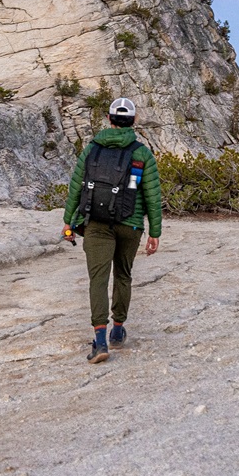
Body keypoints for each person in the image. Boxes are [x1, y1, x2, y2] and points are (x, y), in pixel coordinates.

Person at [62, 97, 162, 363]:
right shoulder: (141, 153)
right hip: (130, 223)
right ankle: (118, 331)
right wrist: (155, 233)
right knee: (123, 275)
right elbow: (152, 196)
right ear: (133, 121)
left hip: (95, 223)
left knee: (98, 279)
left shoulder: (91, 149)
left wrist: (67, 220)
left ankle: (100, 341)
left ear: (108, 119)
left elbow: (76, 188)